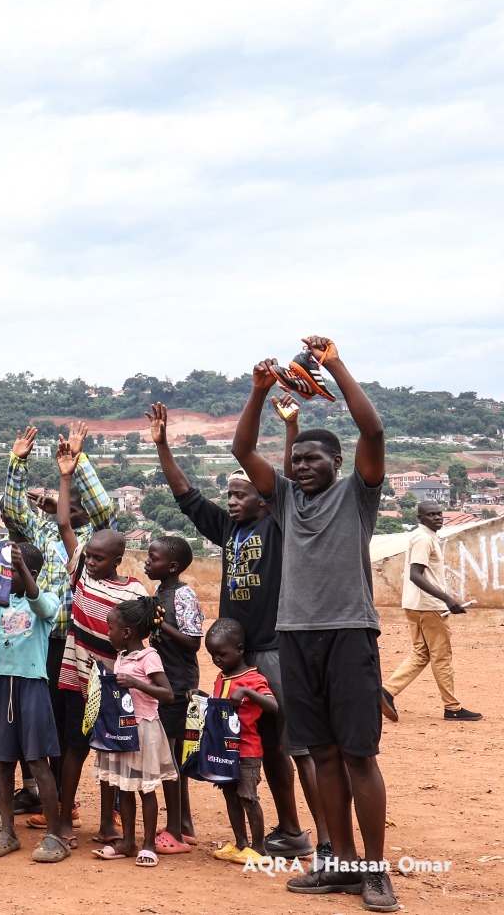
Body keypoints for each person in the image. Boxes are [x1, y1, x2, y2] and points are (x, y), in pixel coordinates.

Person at [232, 336, 398, 911]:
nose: (302, 466)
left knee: (358, 757)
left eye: (314, 458)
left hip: (350, 632)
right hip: (295, 638)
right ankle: (340, 865)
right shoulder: (282, 501)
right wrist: (257, 393)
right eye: (297, 459)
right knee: (322, 754)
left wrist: (335, 365)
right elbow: (241, 449)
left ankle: (375, 872)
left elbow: (372, 433)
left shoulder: (358, 495)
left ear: (337, 461)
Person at [150, 401, 319, 859]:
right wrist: (163, 446)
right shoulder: (229, 529)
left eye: (241, 494)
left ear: (264, 497)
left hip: (273, 650)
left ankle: (312, 834)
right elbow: (187, 496)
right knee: (258, 745)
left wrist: (291, 427)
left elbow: (287, 483)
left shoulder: (281, 524)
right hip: (238, 659)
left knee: (291, 746)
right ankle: (287, 830)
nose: (231, 500)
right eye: (229, 495)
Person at [1, 420, 116, 824]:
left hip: (84, 646)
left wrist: (77, 464)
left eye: (78, 504)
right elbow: (12, 509)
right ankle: (57, 802)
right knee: (49, 723)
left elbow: (103, 509)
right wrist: (18, 461)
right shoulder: (44, 532)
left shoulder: (100, 541)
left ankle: (92, 807)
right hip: (44, 646)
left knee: (85, 725)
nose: (76, 510)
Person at [54, 439, 146, 848]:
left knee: (110, 753)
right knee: (75, 749)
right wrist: (65, 475)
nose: (90, 562)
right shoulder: (81, 574)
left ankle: (108, 824)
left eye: (98, 558)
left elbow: (141, 640)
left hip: (113, 683)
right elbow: (64, 525)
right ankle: (65, 818)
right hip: (78, 676)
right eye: (88, 556)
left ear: (117, 560)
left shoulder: (136, 594)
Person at [0, 543, 68, 863]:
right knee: (2, 761)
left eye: (9, 572)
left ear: (30, 573)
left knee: (38, 761)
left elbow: (41, 606)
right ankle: (8, 831)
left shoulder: (48, 598)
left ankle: (54, 836)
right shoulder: (1, 601)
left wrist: (21, 567)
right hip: (2, 684)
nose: (5, 578)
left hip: (33, 686)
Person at [89, 596, 178, 867]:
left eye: (111, 628)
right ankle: (128, 842)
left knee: (145, 789)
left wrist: (137, 683)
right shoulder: (122, 656)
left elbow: (167, 694)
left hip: (144, 730)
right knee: (124, 787)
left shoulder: (149, 656)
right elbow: (121, 687)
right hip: (124, 731)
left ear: (126, 633)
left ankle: (148, 844)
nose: (108, 633)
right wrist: (104, 670)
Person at [381, 501, 482, 722]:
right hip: (428, 607)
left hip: (416, 605)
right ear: (420, 519)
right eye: (431, 515)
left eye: (439, 514)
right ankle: (452, 708)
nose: (437, 518)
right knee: (442, 656)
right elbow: (415, 575)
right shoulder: (424, 539)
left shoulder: (425, 537)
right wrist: (447, 599)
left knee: (421, 653)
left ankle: (387, 691)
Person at [142, 534, 202, 853]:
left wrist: (159, 624)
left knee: (171, 757)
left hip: (178, 685)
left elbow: (193, 642)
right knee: (175, 756)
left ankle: (175, 831)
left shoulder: (183, 595)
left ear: (173, 566)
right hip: (166, 681)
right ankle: (185, 823)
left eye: (154, 558)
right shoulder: (159, 591)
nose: (147, 562)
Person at [204, 618, 278, 865]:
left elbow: (273, 705)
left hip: (246, 749)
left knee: (247, 796)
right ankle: (240, 843)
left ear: (239, 649)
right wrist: (201, 697)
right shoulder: (221, 677)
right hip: (224, 750)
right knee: (230, 795)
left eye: (221, 654)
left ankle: (259, 848)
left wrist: (247, 692)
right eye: (212, 654)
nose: (217, 659)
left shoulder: (252, 679)